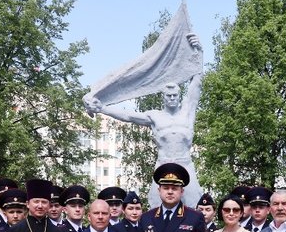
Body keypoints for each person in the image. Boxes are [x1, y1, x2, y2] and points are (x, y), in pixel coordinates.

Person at [85, 35, 204, 208]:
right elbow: (128, 116)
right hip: (163, 164)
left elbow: (197, 82)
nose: (171, 98)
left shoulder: (188, 111)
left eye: (174, 95)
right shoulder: (154, 116)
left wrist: (199, 52)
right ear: (163, 98)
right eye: (168, 96)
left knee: (195, 206)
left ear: (179, 97)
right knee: (156, 208)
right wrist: (102, 108)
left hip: (185, 163)